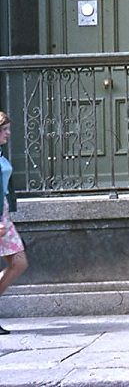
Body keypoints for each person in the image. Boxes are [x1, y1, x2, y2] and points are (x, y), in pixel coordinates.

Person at [0, 112, 27, 334]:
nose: (8, 133)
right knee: (18, 261)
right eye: (4, 130)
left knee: (19, 262)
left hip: (4, 215)